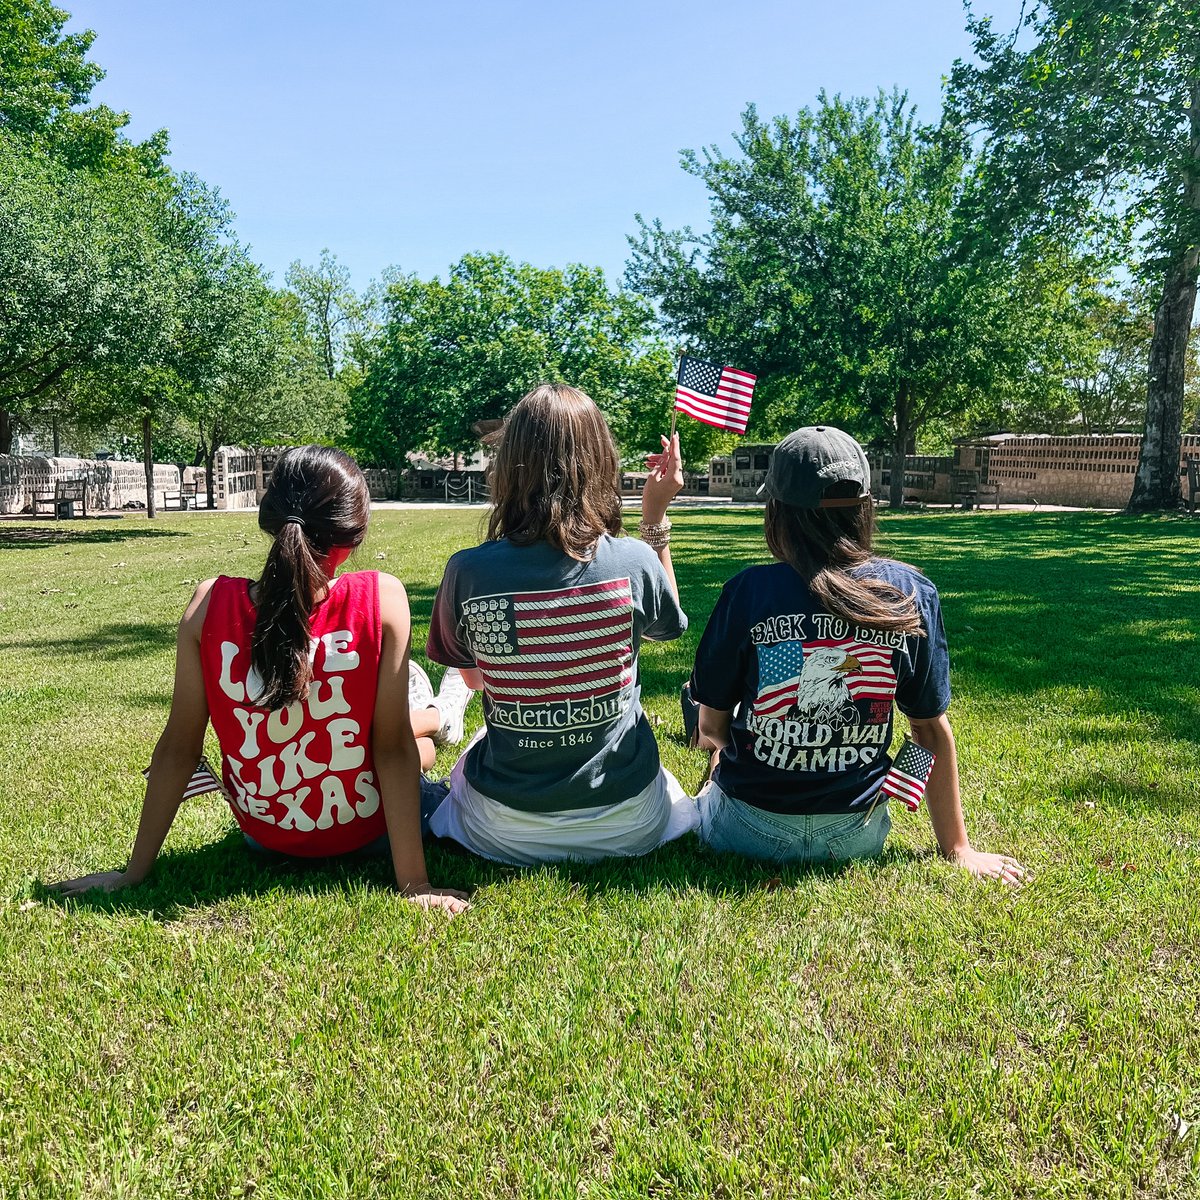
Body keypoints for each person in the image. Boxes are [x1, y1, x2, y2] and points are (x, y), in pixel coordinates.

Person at [52, 446, 470, 912]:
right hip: (366, 833)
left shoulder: (208, 606)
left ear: (269, 518)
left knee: (403, 742)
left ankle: (435, 717)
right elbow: (390, 749)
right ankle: (437, 715)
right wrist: (414, 884)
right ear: (351, 539)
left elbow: (178, 749)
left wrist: (133, 873)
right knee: (417, 752)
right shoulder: (383, 600)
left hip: (267, 838)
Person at [686, 426, 1025, 884]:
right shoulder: (910, 593)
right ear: (865, 507)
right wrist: (959, 849)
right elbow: (927, 728)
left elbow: (711, 728)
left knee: (712, 759)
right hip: (855, 835)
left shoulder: (748, 592)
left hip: (748, 830)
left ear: (777, 513)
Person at [425, 382, 695, 865]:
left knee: (468, 760)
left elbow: (473, 680)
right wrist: (654, 515)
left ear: (508, 466)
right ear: (600, 461)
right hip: (628, 821)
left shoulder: (468, 571)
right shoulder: (633, 562)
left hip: (505, 827)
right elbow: (667, 624)